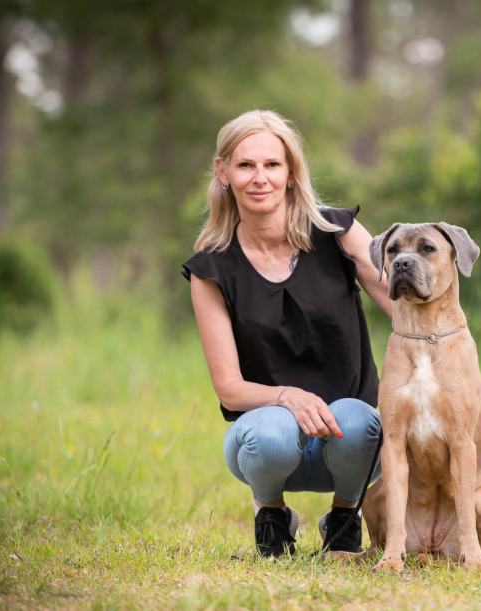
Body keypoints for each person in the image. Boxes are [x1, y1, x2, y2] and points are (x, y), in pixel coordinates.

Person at [182, 109, 392, 558]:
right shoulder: (211, 269)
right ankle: (272, 515)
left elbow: (404, 308)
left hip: (348, 445)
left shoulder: (339, 234)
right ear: (223, 173)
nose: (260, 178)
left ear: (291, 173)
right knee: (273, 434)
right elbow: (229, 389)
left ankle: (344, 517)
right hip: (266, 443)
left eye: (272, 165)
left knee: (359, 421)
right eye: (246, 165)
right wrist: (288, 396)